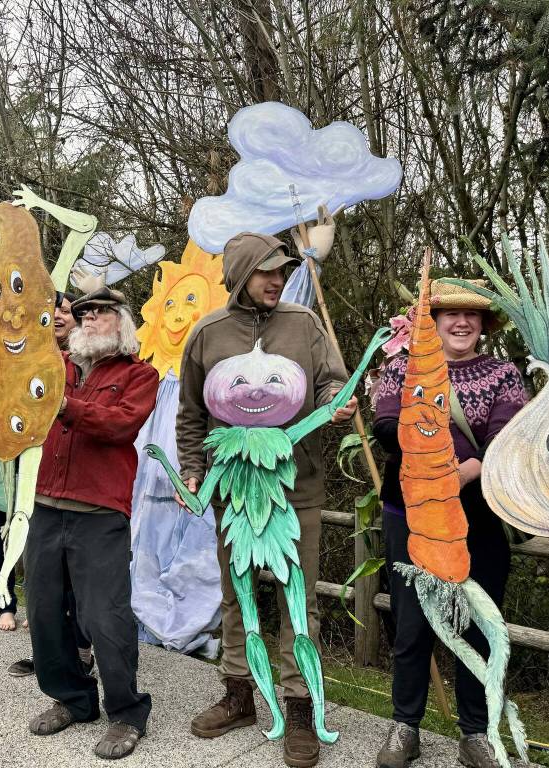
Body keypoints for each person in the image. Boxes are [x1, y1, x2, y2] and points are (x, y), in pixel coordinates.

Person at [176, 232, 354, 768]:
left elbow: (332, 381)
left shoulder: (303, 324)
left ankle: (299, 709)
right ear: (239, 276)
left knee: (297, 599)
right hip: (232, 491)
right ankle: (239, 696)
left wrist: (334, 401)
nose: (277, 280)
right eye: (265, 272)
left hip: (297, 488)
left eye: (281, 272)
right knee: (236, 596)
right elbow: (190, 415)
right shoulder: (207, 334)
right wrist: (191, 471)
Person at [372, 280, 528, 768]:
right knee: (412, 625)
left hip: (476, 520)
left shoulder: (504, 374)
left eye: (472, 316)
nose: (461, 323)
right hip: (410, 517)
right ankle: (404, 725)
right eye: (450, 314)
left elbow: (509, 437)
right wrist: (429, 469)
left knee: (479, 627)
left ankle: (476, 733)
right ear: (432, 321)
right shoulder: (399, 367)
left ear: (483, 324)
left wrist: (459, 474)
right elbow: (385, 424)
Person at [23, 286, 158, 759]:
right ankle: (74, 700)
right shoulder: (55, 367)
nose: (91, 319)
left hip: (100, 513)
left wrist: (66, 406)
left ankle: (126, 712)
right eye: (84, 314)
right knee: (42, 611)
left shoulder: (141, 375)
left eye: (102, 313)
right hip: (46, 505)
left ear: (123, 323)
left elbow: (121, 425)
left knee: (106, 617)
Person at [7, 290, 94, 680]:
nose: (57, 315)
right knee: (42, 574)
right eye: (51, 309)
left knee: (76, 576)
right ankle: (49, 652)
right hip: (38, 476)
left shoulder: (91, 362)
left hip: (80, 484)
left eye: (65, 309)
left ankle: (82, 651)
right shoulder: (36, 356)